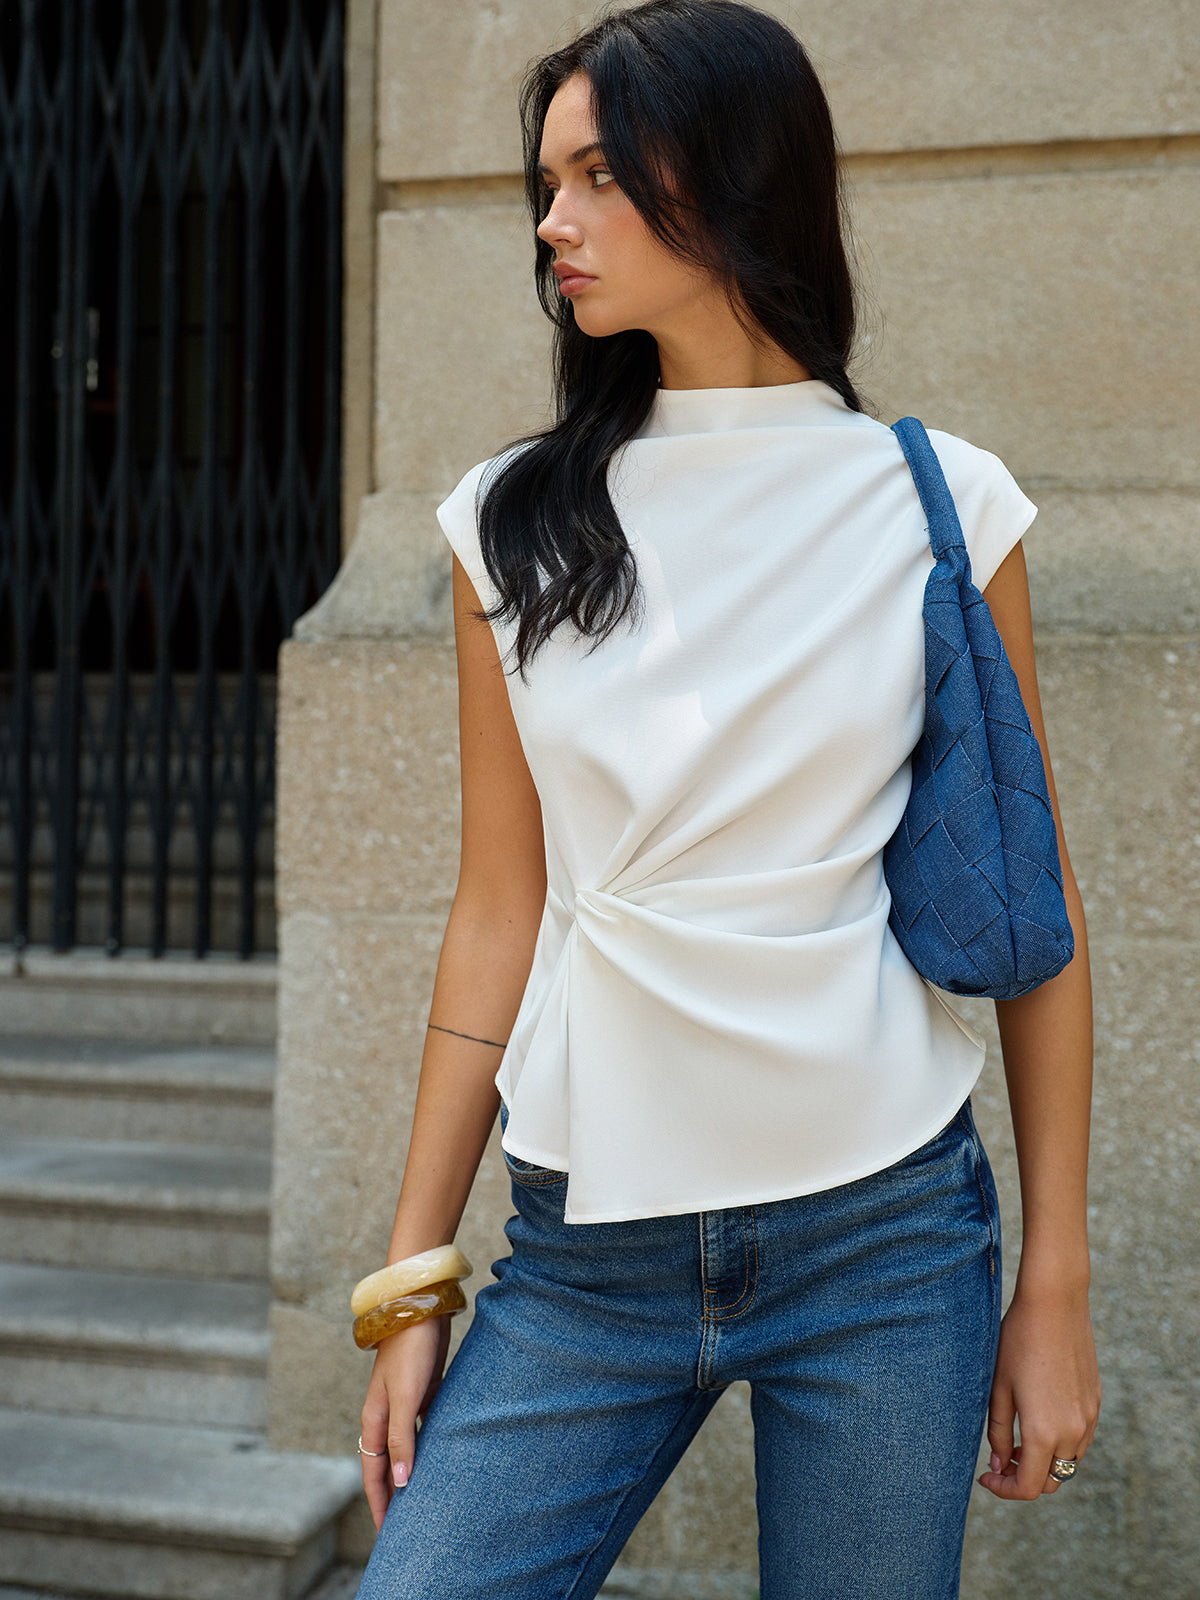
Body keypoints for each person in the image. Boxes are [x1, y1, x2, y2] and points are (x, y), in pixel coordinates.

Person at [353, 4, 1101, 1596]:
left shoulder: (947, 507)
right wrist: (413, 1282)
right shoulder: (512, 521)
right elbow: (499, 911)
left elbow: (1032, 908)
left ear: (736, 175)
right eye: (545, 184)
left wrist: (1055, 1280)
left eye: (599, 176)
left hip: (885, 1237)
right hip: (585, 1254)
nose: (553, 223)